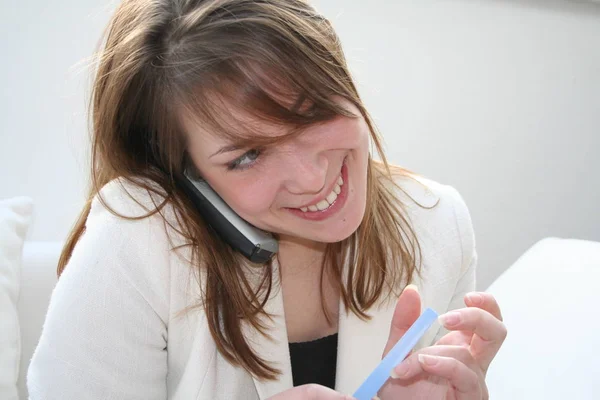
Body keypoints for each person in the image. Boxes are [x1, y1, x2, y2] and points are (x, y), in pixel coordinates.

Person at [27, 0, 507, 399]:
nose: (310, 177)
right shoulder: (135, 235)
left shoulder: (436, 222)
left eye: (312, 112)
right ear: (182, 173)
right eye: (247, 156)